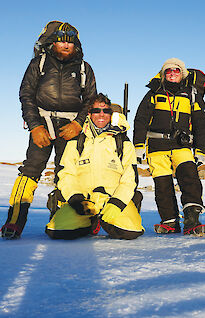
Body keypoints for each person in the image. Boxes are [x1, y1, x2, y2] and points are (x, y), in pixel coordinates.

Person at [1, 22, 97, 239]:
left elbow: (90, 100)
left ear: (76, 45)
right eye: (61, 40)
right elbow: (26, 95)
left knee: (66, 173)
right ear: (52, 42)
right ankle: (14, 222)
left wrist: (78, 124)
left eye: (70, 41)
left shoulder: (84, 68)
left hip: (71, 128)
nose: (65, 44)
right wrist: (35, 126)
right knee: (31, 170)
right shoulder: (39, 63)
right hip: (42, 124)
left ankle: (62, 220)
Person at [45, 93, 144, 240]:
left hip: (111, 200)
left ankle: (108, 217)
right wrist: (76, 200)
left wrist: (117, 203)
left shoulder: (123, 142)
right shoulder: (76, 141)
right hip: (84, 201)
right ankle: (90, 221)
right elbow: (66, 174)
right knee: (56, 231)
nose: (101, 115)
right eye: (96, 111)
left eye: (106, 111)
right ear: (89, 114)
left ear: (112, 114)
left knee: (130, 231)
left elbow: (130, 177)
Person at [133, 58, 205, 236]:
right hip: (156, 145)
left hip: (181, 146)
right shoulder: (153, 93)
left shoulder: (191, 94)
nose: (172, 73)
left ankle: (192, 220)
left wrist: (200, 150)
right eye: (168, 71)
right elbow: (141, 119)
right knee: (162, 185)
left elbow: (202, 123)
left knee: (189, 178)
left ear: (182, 74)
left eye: (176, 70)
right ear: (163, 74)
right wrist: (138, 146)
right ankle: (170, 221)